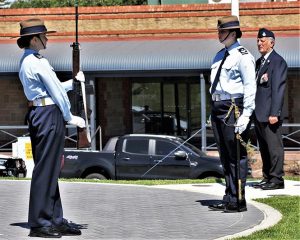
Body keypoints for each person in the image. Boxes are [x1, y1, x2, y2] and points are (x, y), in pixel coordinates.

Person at [17, 18, 85, 238]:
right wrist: (69, 116)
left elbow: (51, 88)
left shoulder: (29, 61)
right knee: (46, 170)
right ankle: (39, 223)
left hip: (41, 112)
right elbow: (55, 94)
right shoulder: (37, 62)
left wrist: (72, 83)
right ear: (35, 39)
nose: (47, 39)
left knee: (50, 169)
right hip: (49, 115)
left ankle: (53, 219)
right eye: (44, 36)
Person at [208, 16, 256, 212]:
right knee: (225, 156)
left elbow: (250, 86)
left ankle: (239, 199)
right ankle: (229, 195)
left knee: (237, 155)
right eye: (219, 31)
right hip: (218, 107)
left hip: (234, 108)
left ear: (233, 33)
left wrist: (246, 114)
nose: (219, 34)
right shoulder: (219, 56)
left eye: (222, 31)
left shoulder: (243, 56)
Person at [252, 28, 287, 190]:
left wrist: (275, 113)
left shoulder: (277, 61)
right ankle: (267, 177)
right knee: (264, 147)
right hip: (258, 113)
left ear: (272, 43)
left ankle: (277, 179)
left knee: (274, 148)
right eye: (258, 40)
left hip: (269, 114)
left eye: (263, 41)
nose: (259, 43)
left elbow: (278, 90)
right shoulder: (259, 62)